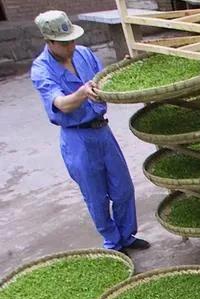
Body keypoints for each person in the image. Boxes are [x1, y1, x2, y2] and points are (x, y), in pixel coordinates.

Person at [30, 10, 149, 254]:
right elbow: (61, 104)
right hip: (77, 138)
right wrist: (82, 93)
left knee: (123, 189)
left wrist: (123, 68)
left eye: (72, 40)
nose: (71, 46)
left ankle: (127, 236)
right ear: (49, 42)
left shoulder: (84, 53)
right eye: (64, 43)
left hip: (102, 130)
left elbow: (103, 81)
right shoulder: (41, 69)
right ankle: (113, 244)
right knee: (96, 196)